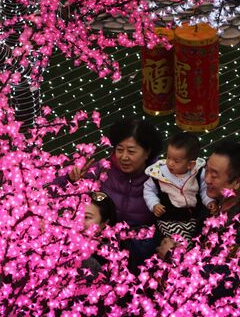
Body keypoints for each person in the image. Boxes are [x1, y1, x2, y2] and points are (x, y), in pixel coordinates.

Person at [156, 139, 240, 307]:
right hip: (192, 289)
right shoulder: (216, 201)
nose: (206, 179)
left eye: (215, 175)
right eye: (206, 171)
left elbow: (224, 283)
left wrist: (176, 256)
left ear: (237, 182)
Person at [58, 117, 163, 272]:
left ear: (147, 152)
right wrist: (71, 180)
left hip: (137, 247)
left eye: (131, 151)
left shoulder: (160, 178)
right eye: (120, 150)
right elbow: (56, 190)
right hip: (99, 238)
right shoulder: (104, 168)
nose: (124, 157)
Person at [143, 132, 217, 242]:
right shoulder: (159, 174)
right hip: (168, 219)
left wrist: (209, 201)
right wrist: (154, 204)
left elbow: (204, 189)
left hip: (193, 218)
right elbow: (148, 189)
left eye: (176, 161)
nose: (170, 163)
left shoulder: (198, 172)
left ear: (190, 165)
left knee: (200, 235)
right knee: (179, 242)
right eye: (168, 157)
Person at [80, 191, 117, 280]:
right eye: (77, 214)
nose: (79, 222)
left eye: (87, 217)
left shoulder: (108, 258)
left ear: (104, 223)